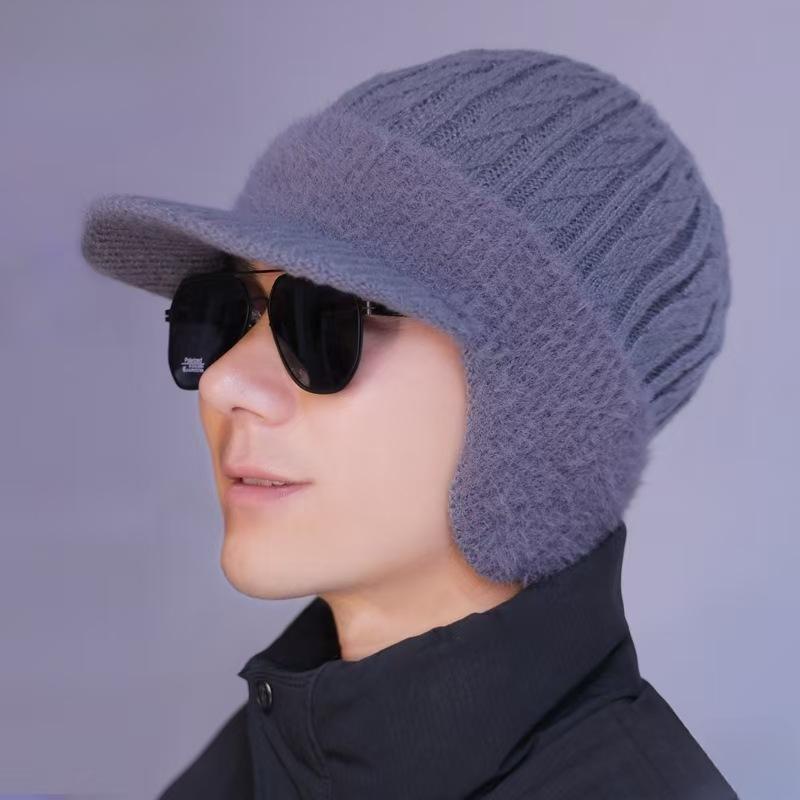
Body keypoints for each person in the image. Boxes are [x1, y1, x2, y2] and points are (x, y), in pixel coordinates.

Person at [80, 47, 739, 799]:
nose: (225, 379)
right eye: (227, 313)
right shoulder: (271, 758)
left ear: (540, 420)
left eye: (326, 320)